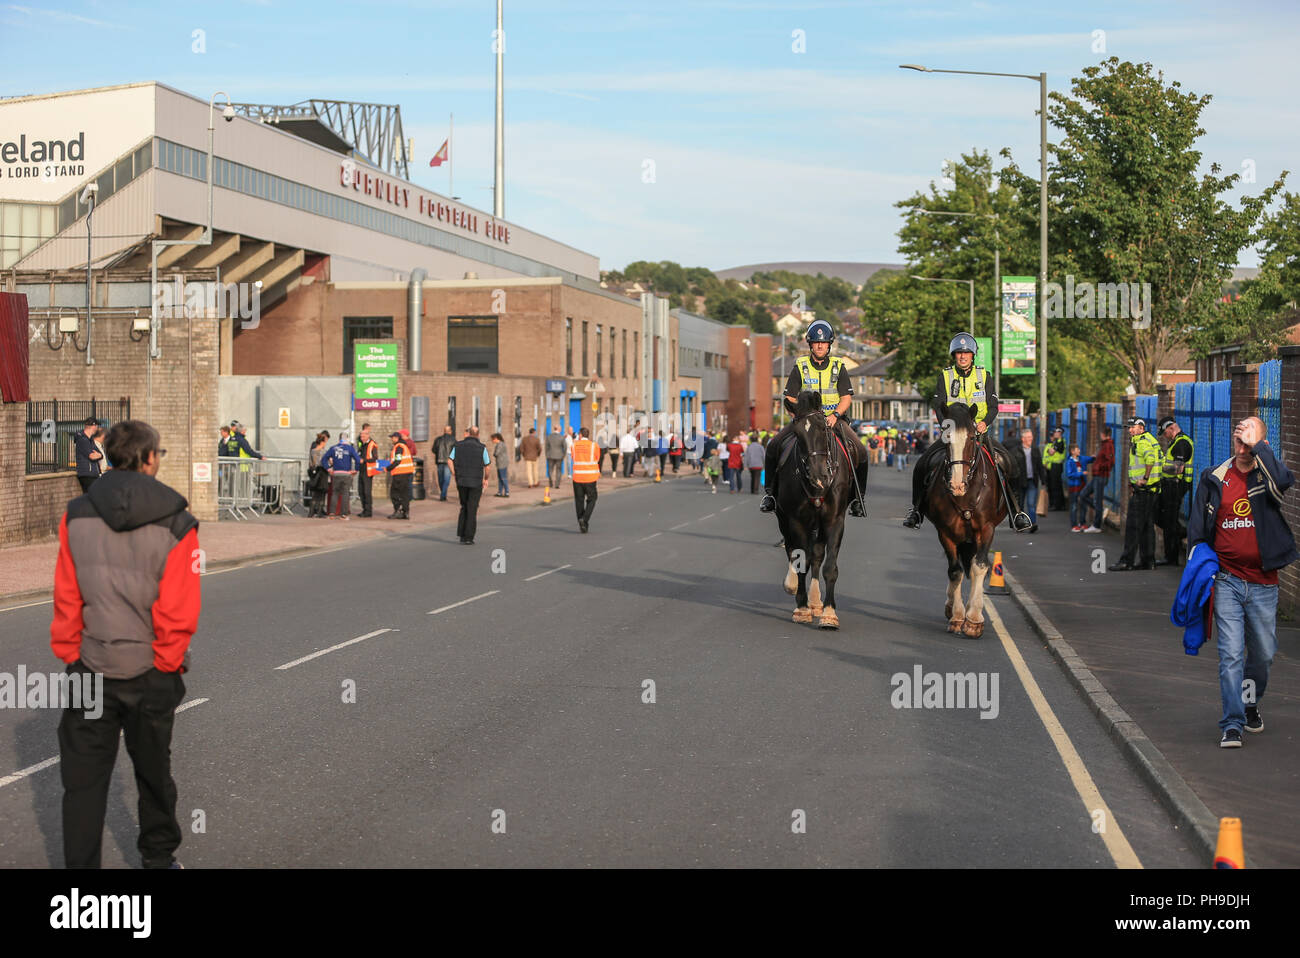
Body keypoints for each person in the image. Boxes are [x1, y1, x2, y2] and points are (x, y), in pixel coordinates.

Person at [51, 419, 198, 869]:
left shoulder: (76, 514)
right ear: (150, 458)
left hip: (90, 666)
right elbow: (179, 608)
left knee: (82, 782)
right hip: (150, 669)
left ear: (110, 456)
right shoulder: (177, 520)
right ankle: (158, 858)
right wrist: (167, 663)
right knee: (153, 773)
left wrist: (71, 655)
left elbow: (67, 594)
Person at [1186, 416, 1298, 747]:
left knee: (1263, 653)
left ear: (1261, 443)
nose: (1241, 441)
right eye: (1238, 435)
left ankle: (1250, 703)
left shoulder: (1269, 477)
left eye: (1248, 435)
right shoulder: (1215, 477)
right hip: (1227, 581)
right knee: (1231, 654)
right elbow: (1197, 530)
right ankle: (1232, 722)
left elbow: (1285, 480)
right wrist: (1199, 572)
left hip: (1264, 583)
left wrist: (1257, 446)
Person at [903, 334, 1030, 531]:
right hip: (952, 434)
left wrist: (984, 423)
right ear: (954, 355)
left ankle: (1017, 511)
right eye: (959, 353)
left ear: (973, 355)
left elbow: (993, 406)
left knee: (1009, 463)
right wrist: (947, 426)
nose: (963, 356)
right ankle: (916, 510)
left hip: (978, 434)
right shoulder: (945, 376)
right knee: (922, 464)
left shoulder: (984, 376)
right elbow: (938, 406)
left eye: (966, 353)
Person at [760, 319, 869, 516]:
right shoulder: (800, 366)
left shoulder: (838, 365)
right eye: (816, 342)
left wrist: (836, 415)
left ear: (829, 344)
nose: (820, 345)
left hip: (833, 420)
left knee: (861, 451)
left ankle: (858, 499)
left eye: (824, 342)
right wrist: (798, 416)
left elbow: (846, 398)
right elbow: (790, 397)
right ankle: (770, 494)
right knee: (773, 445)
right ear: (810, 344)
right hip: (807, 422)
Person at [1109, 417, 1162, 571]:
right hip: (1152, 490)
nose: (1130, 430)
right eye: (1129, 427)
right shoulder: (1150, 439)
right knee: (1147, 527)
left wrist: (1144, 478)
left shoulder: (1141, 441)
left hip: (1144, 491)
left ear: (1141, 427)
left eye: (1133, 427)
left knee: (1133, 526)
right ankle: (1148, 561)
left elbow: (1150, 459)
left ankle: (1127, 561)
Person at [1156, 416, 1196, 567]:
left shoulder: (1182, 443)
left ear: (1171, 428)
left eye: (1165, 433)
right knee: (1164, 518)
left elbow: (1178, 469)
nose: (1165, 437)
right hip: (1169, 485)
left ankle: (1171, 556)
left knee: (1170, 520)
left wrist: (1158, 468)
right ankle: (1180, 533)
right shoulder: (1176, 442)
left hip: (1176, 485)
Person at [450, 426, 491, 544]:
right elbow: (487, 466)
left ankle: (462, 535)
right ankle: (469, 537)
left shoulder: (457, 446)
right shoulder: (482, 448)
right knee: (472, 508)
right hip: (476, 482)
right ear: (478, 435)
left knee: (463, 506)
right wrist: (486, 478)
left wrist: (455, 473)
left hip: (461, 480)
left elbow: (449, 460)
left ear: (468, 434)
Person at [1077, 432, 1114, 533]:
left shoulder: (1108, 445)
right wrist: (1096, 459)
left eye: (1101, 434)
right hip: (1097, 476)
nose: (1100, 436)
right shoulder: (1104, 445)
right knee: (1083, 494)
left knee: (1097, 500)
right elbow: (1103, 459)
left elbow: (1110, 461)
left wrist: (1099, 466)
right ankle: (1101, 511)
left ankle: (1096, 526)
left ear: (1105, 434)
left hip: (1101, 476)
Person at [322, 431, 361, 519]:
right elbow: (358, 460)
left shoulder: (333, 448)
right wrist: (356, 470)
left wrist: (328, 468)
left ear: (339, 438)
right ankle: (344, 514)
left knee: (335, 493)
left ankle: (331, 513)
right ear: (346, 438)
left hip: (336, 474)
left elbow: (324, 459)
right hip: (346, 474)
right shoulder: (350, 448)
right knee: (345, 494)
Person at [1015, 429, 1046, 534]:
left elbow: (1040, 466)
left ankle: (1033, 524)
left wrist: (1043, 481)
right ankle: (1021, 525)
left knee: (1031, 504)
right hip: (1020, 482)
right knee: (1020, 505)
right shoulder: (1016, 450)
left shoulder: (1035, 450)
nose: (1030, 439)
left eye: (1031, 437)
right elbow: (1013, 468)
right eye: (1028, 437)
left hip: (1032, 481)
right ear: (1023, 439)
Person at [572, 426, 600, 532]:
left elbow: (573, 458)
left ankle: (581, 521)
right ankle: (585, 519)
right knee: (592, 498)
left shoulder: (574, 445)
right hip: (590, 477)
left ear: (580, 435)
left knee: (579, 500)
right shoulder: (594, 446)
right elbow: (597, 458)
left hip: (577, 477)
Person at [385, 430, 415, 519]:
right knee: (404, 494)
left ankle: (397, 511)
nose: (391, 439)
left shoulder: (399, 447)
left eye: (392, 438)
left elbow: (397, 461)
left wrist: (388, 468)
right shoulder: (404, 446)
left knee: (394, 493)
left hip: (400, 474)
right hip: (406, 473)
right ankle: (405, 512)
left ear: (396, 438)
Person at [1065, 444, 1095, 531]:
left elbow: (1090, 459)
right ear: (1072, 451)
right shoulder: (1069, 462)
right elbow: (1069, 474)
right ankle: (1074, 525)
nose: (1079, 451)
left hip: (1082, 485)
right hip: (1074, 486)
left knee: (1083, 505)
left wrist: (1094, 457)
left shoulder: (1082, 458)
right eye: (1077, 449)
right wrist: (1081, 473)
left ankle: (1082, 523)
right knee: (1074, 506)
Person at [73, 417, 105, 492]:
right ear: (93, 426)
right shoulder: (82, 440)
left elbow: (100, 454)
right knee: (91, 496)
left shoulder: (90, 440)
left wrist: (99, 455)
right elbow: (92, 456)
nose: (97, 428)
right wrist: (97, 455)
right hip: (87, 474)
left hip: (93, 474)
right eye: (97, 426)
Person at [356, 424, 379, 518]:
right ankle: (364, 509)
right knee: (360, 491)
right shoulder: (362, 444)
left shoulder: (372, 444)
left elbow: (375, 458)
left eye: (363, 436)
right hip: (361, 470)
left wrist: (364, 460)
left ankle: (368, 511)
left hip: (368, 471)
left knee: (367, 491)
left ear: (367, 435)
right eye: (361, 436)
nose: (361, 437)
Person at [1043, 427, 1067, 511]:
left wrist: (1051, 450)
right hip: (1053, 466)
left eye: (1056, 432)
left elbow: (1051, 452)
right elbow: (1050, 452)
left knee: (1056, 486)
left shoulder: (1060, 442)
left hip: (1057, 466)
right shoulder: (1057, 442)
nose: (1054, 434)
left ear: (1060, 433)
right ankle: (1059, 504)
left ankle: (1057, 505)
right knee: (1055, 486)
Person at [433, 425, 456, 501]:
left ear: (444, 431)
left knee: (440, 479)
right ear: (450, 431)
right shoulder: (453, 440)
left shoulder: (438, 439)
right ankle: (443, 495)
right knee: (446, 479)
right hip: (448, 462)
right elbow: (456, 451)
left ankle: (443, 493)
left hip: (439, 461)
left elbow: (433, 449)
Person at [490, 432, 511, 497]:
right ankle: (500, 492)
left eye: (492, 439)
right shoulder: (501, 444)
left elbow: (496, 453)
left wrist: (494, 454)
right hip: (500, 463)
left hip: (502, 463)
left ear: (496, 438)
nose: (492, 441)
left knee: (503, 477)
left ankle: (507, 492)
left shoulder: (500, 444)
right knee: (500, 478)